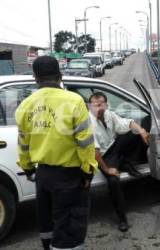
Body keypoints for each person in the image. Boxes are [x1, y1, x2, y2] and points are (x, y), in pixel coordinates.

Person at [15, 56, 98, 250]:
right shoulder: (74, 101)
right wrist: (88, 171)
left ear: (35, 78)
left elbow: (23, 145)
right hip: (69, 177)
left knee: (47, 224)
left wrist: (28, 169)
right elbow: (85, 142)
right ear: (60, 76)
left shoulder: (25, 105)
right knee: (69, 228)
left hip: (43, 176)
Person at [89, 92, 150, 232]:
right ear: (90, 106)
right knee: (113, 182)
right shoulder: (88, 122)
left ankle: (126, 162)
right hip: (103, 156)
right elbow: (95, 153)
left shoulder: (109, 114)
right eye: (95, 105)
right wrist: (107, 170)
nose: (98, 108)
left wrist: (141, 130)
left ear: (106, 104)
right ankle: (122, 218)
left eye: (101, 105)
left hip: (114, 148)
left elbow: (128, 122)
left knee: (133, 132)